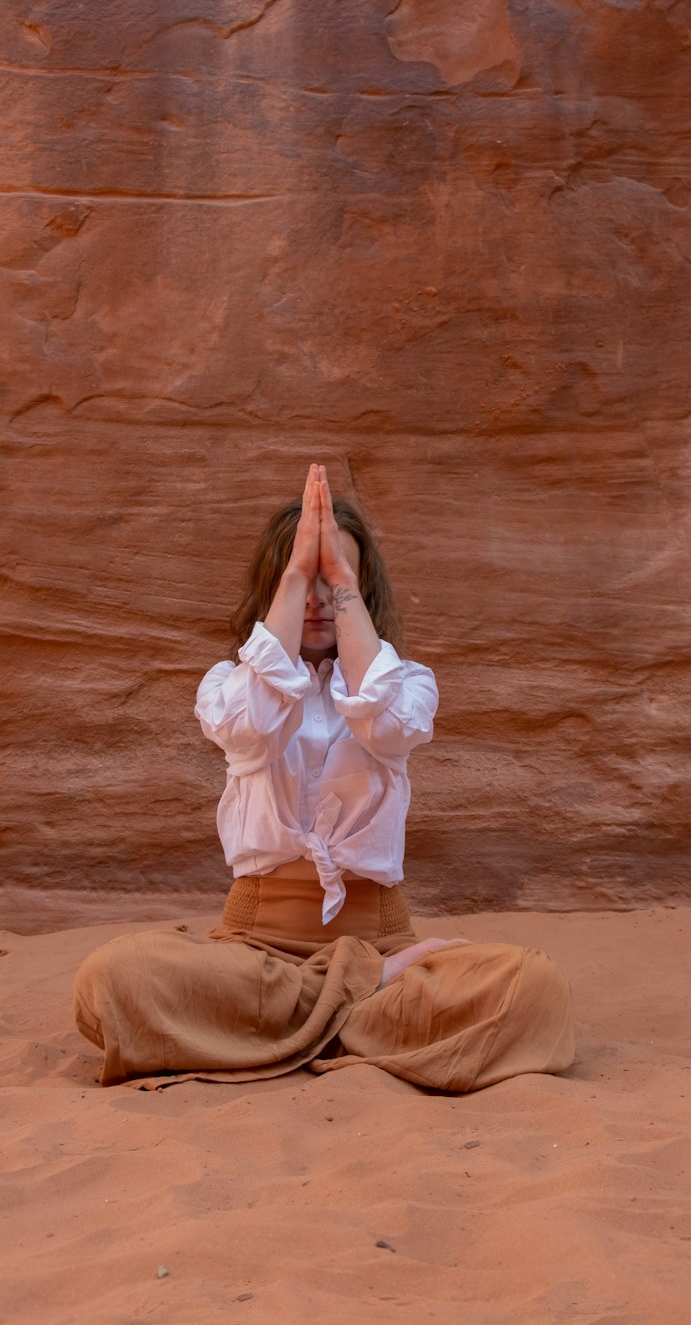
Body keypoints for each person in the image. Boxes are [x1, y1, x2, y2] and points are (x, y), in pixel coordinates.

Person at [73, 464, 574, 1092]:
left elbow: (384, 724)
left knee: (536, 987)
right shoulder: (226, 686)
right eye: (300, 579)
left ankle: (300, 1019)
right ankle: (356, 1010)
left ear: (361, 588)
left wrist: (340, 582)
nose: (316, 598)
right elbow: (253, 726)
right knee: (111, 979)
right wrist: (295, 573)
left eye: (335, 578)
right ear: (274, 585)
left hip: (380, 944)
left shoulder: (408, 683)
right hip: (254, 954)